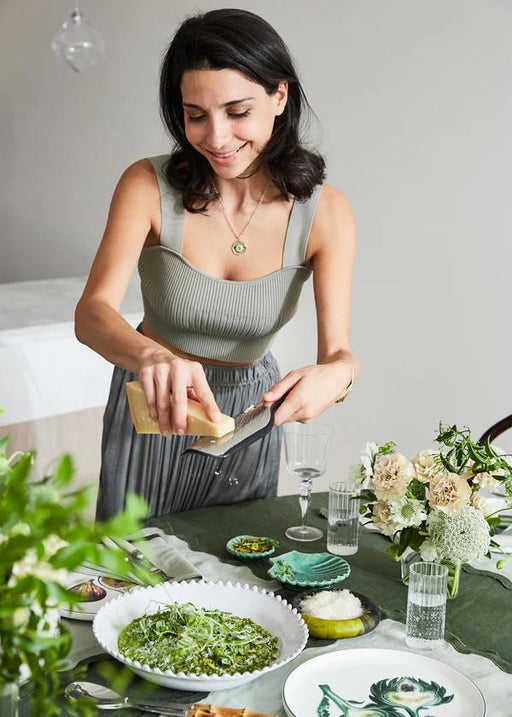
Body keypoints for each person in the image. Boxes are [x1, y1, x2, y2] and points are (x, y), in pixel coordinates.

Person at [75, 8, 359, 520]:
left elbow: (339, 354)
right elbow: (92, 312)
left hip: (250, 416)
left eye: (237, 111)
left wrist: (335, 377)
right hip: (154, 399)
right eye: (196, 115)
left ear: (279, 96)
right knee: (131, 574)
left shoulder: (326, 213)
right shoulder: (146, 186)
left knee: (236, 577)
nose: (217, 138)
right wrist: (150, 356)